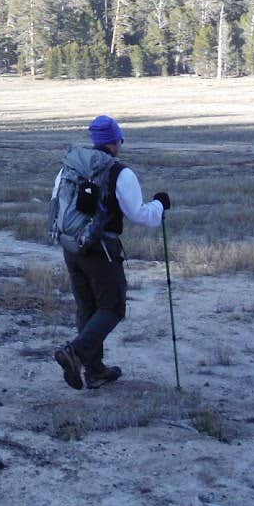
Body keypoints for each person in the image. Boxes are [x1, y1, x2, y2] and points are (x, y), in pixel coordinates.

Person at [49, 115, 170, 390]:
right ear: (116, 141)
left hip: (71, 246)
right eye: (120, 139)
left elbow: (56, 201)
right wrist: (160, 206)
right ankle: (74, 353)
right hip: (101, 249)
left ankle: (94, 371)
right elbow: (138, 214)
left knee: (87, 306)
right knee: (112, 307)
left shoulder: (70, 165)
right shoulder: (119, 172)